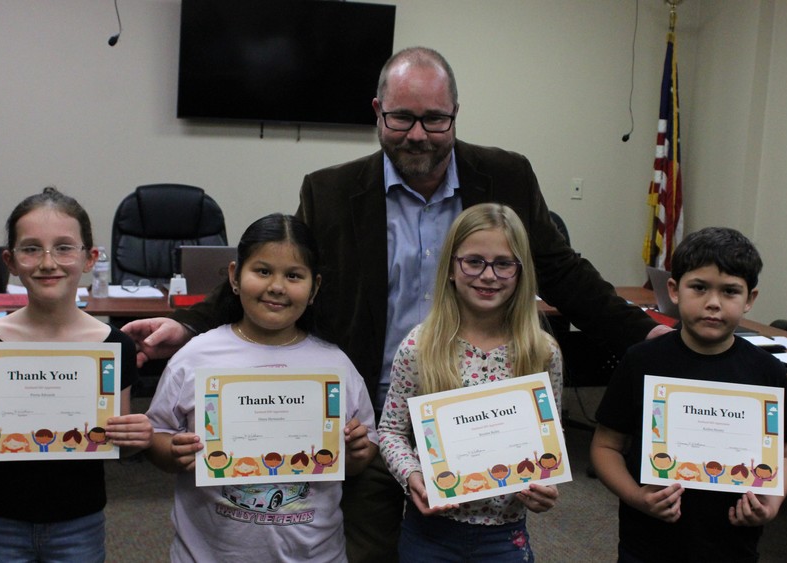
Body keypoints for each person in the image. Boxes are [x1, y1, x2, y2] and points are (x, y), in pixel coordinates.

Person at [123, 46, 667, 561]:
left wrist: (642, 335)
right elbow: (284, 271)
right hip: (380, 420)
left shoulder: (506, 176)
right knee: (370, 551)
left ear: (455, 114)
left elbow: (562, 270)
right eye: (402, 118)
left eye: (435, 119)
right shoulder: (330, 191)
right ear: (378, 112)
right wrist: (189, 325)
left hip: (477, 422)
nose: (418, 135)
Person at [0, 187, 153, 562]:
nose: (48, 262)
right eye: (31, 249)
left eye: (64, 248)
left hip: (78, 519)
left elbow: (118, 445)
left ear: (89, 258)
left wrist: (137, 438)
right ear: (11, 261)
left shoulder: (113, 346)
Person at [144, 214, 378, 562]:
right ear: (234, 276)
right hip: (210, 554)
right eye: (263, 271)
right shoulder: (195, 356)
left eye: (294, 276)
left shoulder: (335, 365)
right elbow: (157, 433)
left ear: (314, 288)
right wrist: (171, 451)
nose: (277, 286)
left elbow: (364, 445)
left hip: (314, 554)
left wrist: (358, 452)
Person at [590, 227, 787, 562]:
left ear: (750, 299)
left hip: (732, 545)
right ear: (674, 290)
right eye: (699, 287)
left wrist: (771, 505)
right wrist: (637, 497)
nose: (713, 303)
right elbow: (605, 446)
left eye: (730, 291)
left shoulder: (766, 371)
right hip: (650, 543)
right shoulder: (642, 361)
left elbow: (782, 457)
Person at [378, 204, 560, 561]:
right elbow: (390, 431)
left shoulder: (541, 351)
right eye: (474, 262)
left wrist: (547, 482)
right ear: (450, 268)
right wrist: (412, 475)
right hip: (430, 531)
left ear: (521, 271)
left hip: (505, 533)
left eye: (503, 264)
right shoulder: (420, 346)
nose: (488, 276)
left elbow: (550, 434)